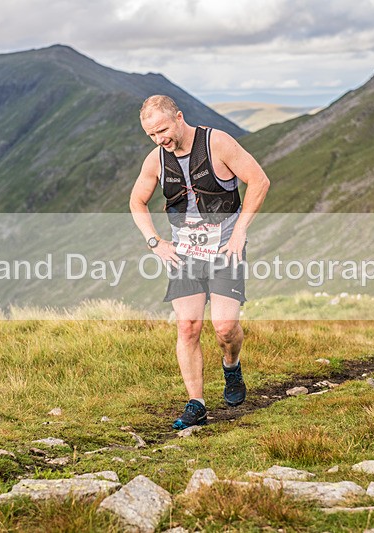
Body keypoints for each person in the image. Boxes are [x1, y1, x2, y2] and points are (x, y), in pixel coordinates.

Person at [129, 95, 270, 429]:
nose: (159, 139)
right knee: (188, 326)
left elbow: (259, 180)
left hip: (225, 249)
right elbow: (136, 201)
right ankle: (197, 404)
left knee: (224, 328)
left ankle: (231, 364)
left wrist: (240, 233)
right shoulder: (156, 160)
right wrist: (155, 242)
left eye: (162, 129)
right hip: (184, 253)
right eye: (151, 135)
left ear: (179, 117)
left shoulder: (217, 142)